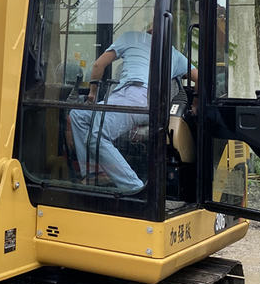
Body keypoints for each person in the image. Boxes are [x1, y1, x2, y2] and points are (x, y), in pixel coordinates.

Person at [69, 27, 197, 195]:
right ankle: (93, 173)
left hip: (134, 97)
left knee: (97, 135)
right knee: (77, 115)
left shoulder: (131, 36)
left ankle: (134, 188)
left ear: (146, 32)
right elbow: (199, 77)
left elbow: (98, 64)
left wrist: (92, 94)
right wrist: (195, 104)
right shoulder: (174, 54)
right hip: (141, 102)